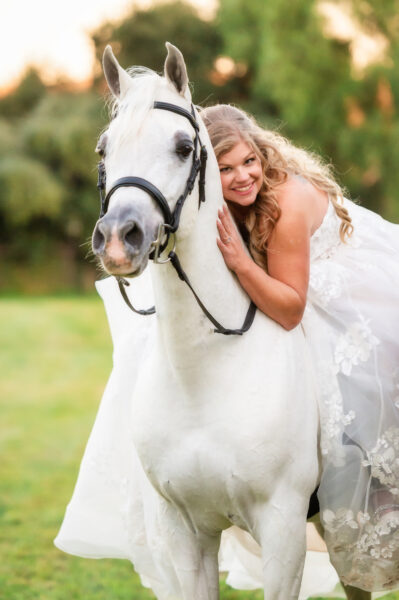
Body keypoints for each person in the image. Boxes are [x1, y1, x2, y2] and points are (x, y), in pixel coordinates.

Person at [200, 103, 399, 591]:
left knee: (359, 423)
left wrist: (242, 265)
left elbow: (289, 307)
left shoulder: (286, 200)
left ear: (261, 149)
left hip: (350, 309)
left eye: (248, 160)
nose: (243, 176)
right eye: (224, 169)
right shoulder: (221, 201)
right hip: (305, 302)